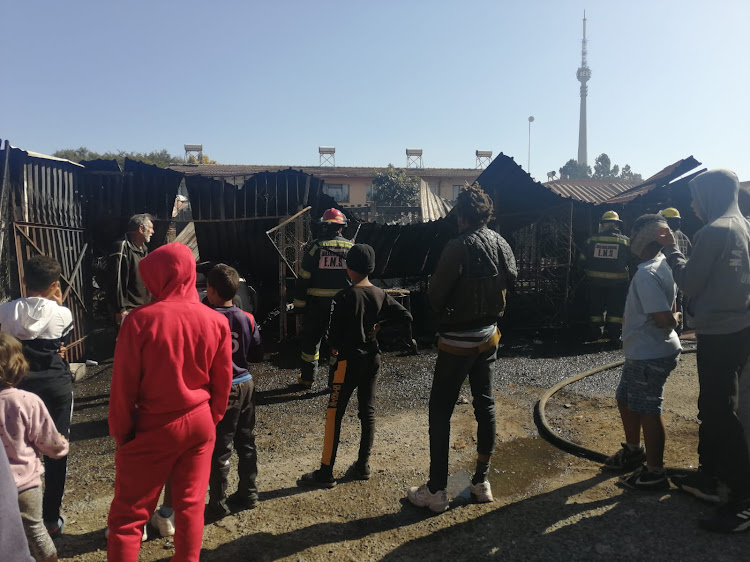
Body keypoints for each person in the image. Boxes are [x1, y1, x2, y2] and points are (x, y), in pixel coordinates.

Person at [106, 242, 233, 561]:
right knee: (190, 508)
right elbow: (223, 382)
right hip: (200, 423)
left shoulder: (139, 321)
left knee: (128, 519)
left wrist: (122, 434)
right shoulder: (216, 321)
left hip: (154, 426)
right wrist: (212, 418)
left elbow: (123, 388)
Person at [408, 183, 517, 513]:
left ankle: (437, 491)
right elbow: (511, 276)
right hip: (489, 337)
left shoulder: (457, 246)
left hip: (456, 342)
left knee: (440, 411)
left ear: (461, 216)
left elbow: (436, 295)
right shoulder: (500, 242)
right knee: (485, 404)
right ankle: (481, 481)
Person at [657, 169, 750, 532]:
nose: (693, 206)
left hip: (719, 332)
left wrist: (670, 249)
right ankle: (709, 476)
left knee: (719, 411)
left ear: (711, 195)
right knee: (714, 405)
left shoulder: (713, 232)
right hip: (741, 327)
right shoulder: (745, 227)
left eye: (696, 198)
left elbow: (690, 282)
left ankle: (742, 499)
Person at [298, 244, 413, 487]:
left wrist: (334, 347)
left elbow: (334, 335)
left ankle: (326, 472)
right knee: (367, 413)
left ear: (349, 269)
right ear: (371, 268)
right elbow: (406, 317)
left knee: (334, 414)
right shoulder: (380, 294)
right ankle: (362, 465)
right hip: (372, 359)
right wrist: (381, 326)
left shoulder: (344, 296)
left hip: (346, 363)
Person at [601, 214, 682, 490]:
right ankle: (634, 451)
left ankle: (655, 472)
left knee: (648, 408)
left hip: (651, 352)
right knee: (625, 398)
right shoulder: (659, 265)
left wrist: (676, 319)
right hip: (641, 351)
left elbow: (663, 318)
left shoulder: (647, 273)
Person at [0, 255, 74, 539]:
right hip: (54, 386)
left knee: (13, 450)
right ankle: (51, 518)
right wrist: (56, 302)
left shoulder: (4, 312)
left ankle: (16, 515)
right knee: (57, 449)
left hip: (16, 386)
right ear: (55, 284)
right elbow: (60, 344)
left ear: (24, 281)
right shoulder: (63, 314)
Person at [0, 331, 69, 562]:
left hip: (2, 487)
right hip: (26, 485)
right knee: (36, 531)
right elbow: (48, 441)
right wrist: (61, 447)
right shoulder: (26, 401)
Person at [203, 264, 262, 519]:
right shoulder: (246, 317)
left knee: (221, 446)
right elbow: (257, 352)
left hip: (224, 387)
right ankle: (249, 492)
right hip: (247, 383)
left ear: (212, 290)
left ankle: (217, 503)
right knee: (246, 441)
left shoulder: (206, 318)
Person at [293, 208, 353, 389]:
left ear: (324, 227)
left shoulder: (315, 248)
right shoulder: (351, 247)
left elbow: (303, 278)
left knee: (311, 342)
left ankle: (307, 379)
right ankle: (335, 382)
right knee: (339, 343)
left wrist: (299, 306)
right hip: (342, 306)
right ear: (341, 228)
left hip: (317, 306)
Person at [579, 210, 631, 341]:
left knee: (596, 307)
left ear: (602, 224)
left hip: (595, 282)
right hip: (618, 283)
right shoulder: (625, 242)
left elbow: (582, 260)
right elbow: (632, 261)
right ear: (617, 225)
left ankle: (595, 333)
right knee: (616, 309)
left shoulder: (592, 240)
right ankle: (613, 334)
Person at [108, 213, 154, 326]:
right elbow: (116, 280)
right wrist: (120, 309)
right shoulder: (122, 247)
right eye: (151, 228)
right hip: (128, 310)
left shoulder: (144, 249)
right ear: (141, 228)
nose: (153, 232)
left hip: (143, 307)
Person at [0, 439, 35, 562]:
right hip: (28, 482)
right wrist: (61, 447)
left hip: (11, 483)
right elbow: (47, 438)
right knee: (37, 529)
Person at [660, 207, 692, 334]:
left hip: (668, 276)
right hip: (682, 275)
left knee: (669, 304)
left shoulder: (666, 236)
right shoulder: (685, 237)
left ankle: (670, 330)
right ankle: (678, 329)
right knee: (679, 304)